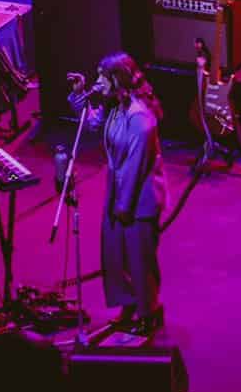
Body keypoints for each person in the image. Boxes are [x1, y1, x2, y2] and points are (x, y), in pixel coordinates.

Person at [70, 52, 169, 334]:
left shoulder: (140, 118)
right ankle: (129, 303)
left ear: (117, 79)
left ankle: (149, 312)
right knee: (116, 253)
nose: (98, 81)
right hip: (119, 189)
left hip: (139, 196)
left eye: (102, 77)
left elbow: (136, 167)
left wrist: (123, 206)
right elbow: (92, 125)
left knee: (139, 257)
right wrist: (79, 96)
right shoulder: (115, 106)